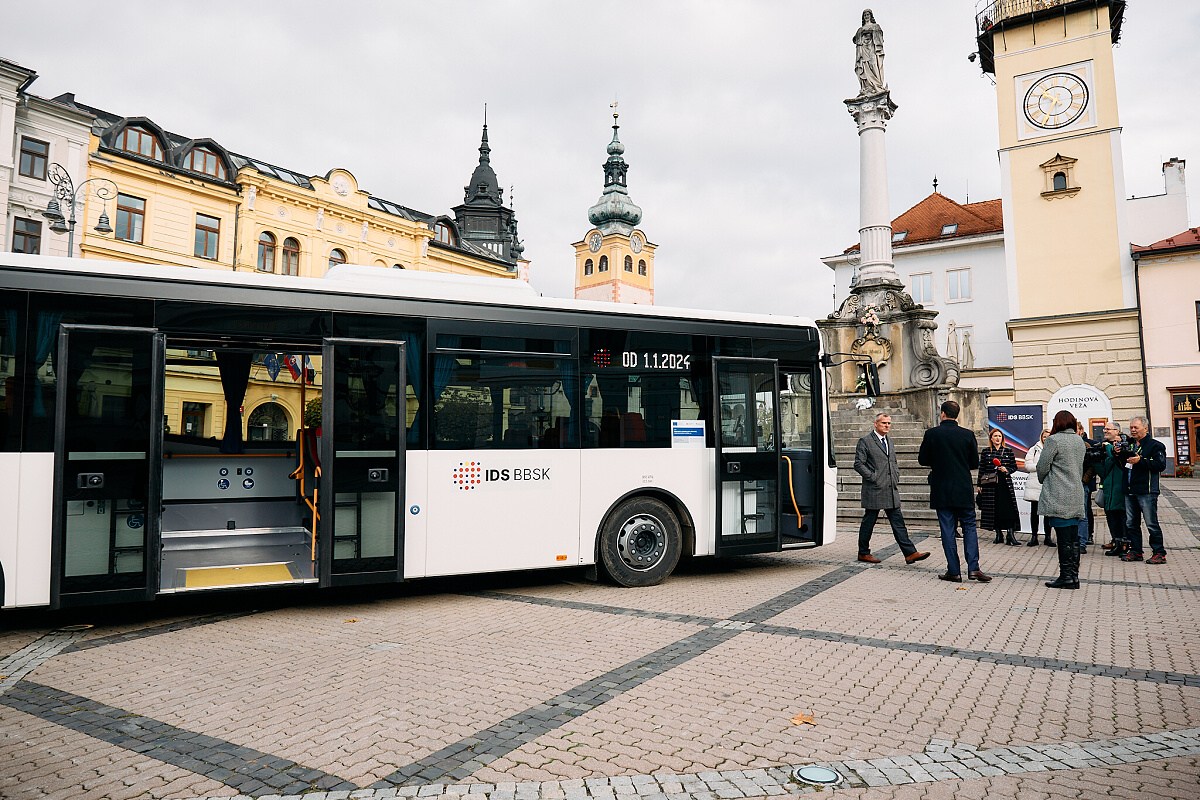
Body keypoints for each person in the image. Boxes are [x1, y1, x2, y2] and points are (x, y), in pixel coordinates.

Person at [918, 400, 991, 583]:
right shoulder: (967, 435)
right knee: (969, 528)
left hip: (941, 488)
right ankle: (974, 568)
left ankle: (954, 570)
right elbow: (974, 463)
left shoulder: (932, 434)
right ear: (956, 415)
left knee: (948, 530)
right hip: (963, 488)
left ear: (942, 413)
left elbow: (922, 459)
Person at [853, 413, 930, 565]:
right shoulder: (866, 441)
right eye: (884, 423)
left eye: (889, 423)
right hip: (874, 488)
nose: (887, 425)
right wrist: (873, 477)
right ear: (876, 424)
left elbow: (892, 461)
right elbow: (858, 464)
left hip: (890, 488)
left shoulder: (889, 441)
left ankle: (910, 553)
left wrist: (895, 476)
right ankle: (863, 552)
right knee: (869, 521)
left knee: (898, 522)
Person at [1037, 410, 1087, 589]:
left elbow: (1042, 467)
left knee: (1064, 539)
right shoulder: (1079, 440)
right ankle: (1074, 576)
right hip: (1075, 493)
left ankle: (1066, 576)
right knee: (1073, 538)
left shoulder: (1053, 440)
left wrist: (1043, 478)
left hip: (1059, 493)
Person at [1121, 415, 1168, 564]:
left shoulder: (1155, 445)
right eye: (1131, 427)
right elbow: (1123, 465)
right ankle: (1136, 551)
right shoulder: (1130, 445)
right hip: (1130, 490)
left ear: (1146, 428)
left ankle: (1159, 552)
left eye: (1136, 427)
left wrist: (1141, 460)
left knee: (1151, 523)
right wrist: (1119, 455)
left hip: (1146, 491)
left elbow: (1160, 465)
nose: (1133, 430)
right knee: (1131, 523)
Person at [978, 428, 1022, 546]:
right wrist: (979, 484)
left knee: (1008, 509)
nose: (997, 438)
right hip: (990, 485)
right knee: (994, 509)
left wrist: (1006, 469)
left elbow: (1014, 467)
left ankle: (1010, 534)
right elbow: (981, 469)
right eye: (995, 436)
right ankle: (998, 534)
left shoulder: (1008, 451)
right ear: (991, 438)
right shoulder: (986, 452)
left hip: (1005, 484)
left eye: (999, 436)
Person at [1097, 421, 1129, 557]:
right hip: (1109, 488)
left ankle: (1125, 544)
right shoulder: (1104, 447)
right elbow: (1103, 471)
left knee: (1122, 517)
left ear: (1117, 431)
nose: (1105, 431)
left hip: (1121, 488)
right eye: (1105, 429)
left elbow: (1119, 460)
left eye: (1109, 429)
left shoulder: (1124, 445)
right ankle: (1116, 542)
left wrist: (1110, 449)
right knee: (1111, 517)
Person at [1023, 429, 1054, 546]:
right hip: (1035, 484)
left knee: (1048, 513)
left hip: (1049, 483)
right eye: (1044, 436)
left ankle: (1048, 537)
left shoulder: (1054, 449)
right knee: (1034, 512)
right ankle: (1034, 536)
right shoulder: (1034, 449)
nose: (1046, 439)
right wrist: (1041, 466)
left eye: (1048, 436)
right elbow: (1027, 465)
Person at [852, 9, 888, 97]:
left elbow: (880, 36)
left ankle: (877, 84)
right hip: (863, 48)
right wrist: (860, 35)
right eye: (865, 15)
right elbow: (854, 39)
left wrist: (871, 32)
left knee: (873, 64)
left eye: (868, 14)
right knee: (864, 65)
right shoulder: (860, 29)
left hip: (872, 47)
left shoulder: (875, 26)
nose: (866, 16)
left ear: (871, 16)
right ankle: (867, 86)